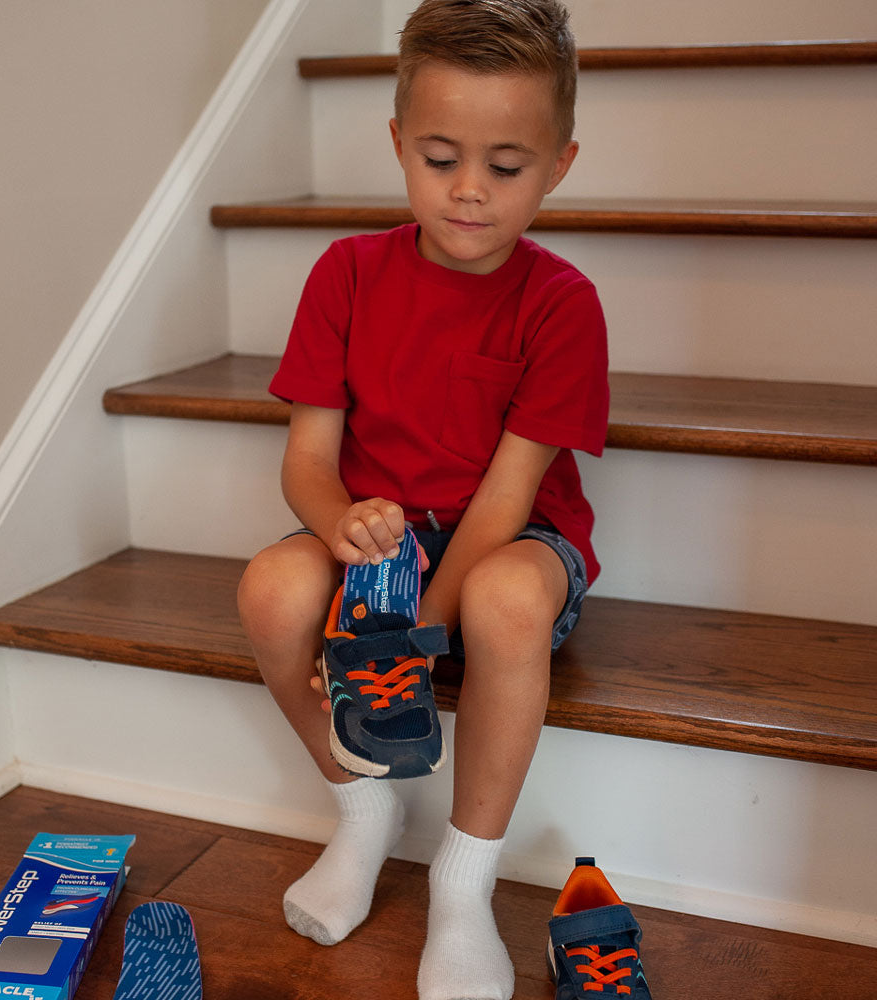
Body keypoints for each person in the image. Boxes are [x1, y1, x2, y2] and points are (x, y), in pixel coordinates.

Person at [237, 1, 608, 997]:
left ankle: (461, 881)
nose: (470, 193)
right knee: (272, 588)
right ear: (398, 143)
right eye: (441, 157)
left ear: (559, 165)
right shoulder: (347, 273)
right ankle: (362, 807)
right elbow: (308, 461)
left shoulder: (561, 302)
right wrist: (337, 523)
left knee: (505, 599)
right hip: (379, 542)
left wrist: (409, 640)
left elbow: (507, 494)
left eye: (506, 165)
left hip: (508, 538)